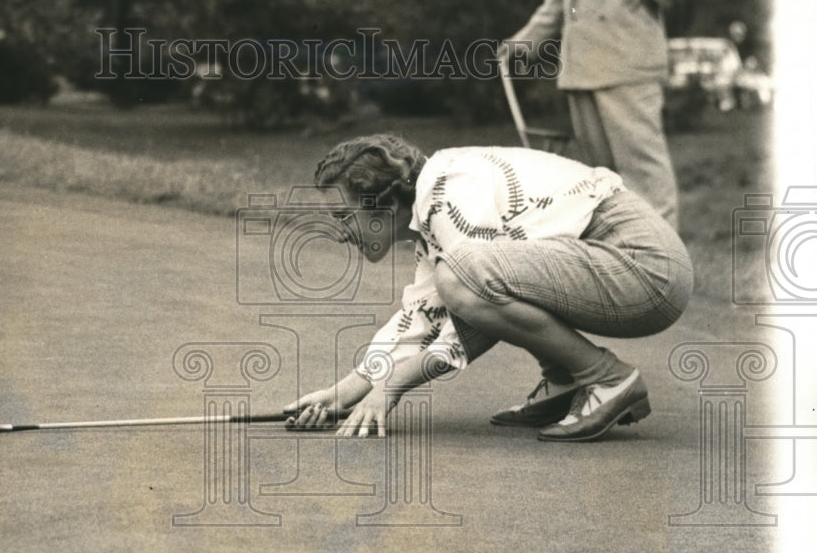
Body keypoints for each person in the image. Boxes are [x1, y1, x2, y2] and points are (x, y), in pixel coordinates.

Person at [283, 133, 693, 441]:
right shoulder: (434, 207)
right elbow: (421, 319)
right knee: (461, 278)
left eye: (342, 215)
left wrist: (391, 388)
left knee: (461, 280)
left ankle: (606, 377)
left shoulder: (449, 193)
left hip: (646, 269)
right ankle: (566, 376)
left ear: (386, 204)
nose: (339, 234)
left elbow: (470, 304)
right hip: (619, 266)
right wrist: (342, 394)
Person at [505, 0, 718, 231]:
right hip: (580, 65)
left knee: (644, 174)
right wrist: (524, 40)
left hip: (628, 59)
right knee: (600, 180)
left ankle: (664, 267)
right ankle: (622, 264)